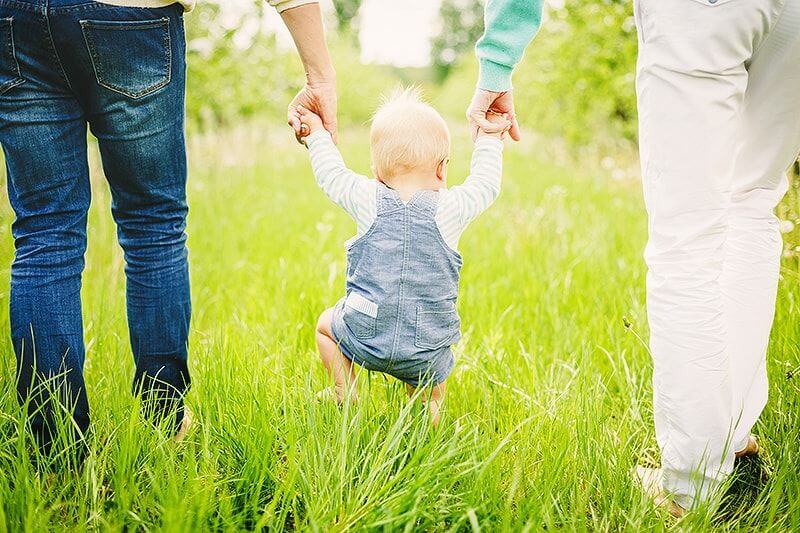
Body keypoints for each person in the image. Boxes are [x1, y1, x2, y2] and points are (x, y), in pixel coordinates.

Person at [0, 0, 336, 458]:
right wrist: (319, 76)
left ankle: (55, 449)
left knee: (44, 234)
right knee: (153, 227)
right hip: (127, 18)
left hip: (13, 21)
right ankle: (165, 423)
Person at [297, 89, 508, 426]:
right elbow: (485, 184)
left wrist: (318, 135)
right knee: (430, 395)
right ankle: (427, 425)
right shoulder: (451, 208)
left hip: (365, 331)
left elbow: (331, 175)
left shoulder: (367, 197)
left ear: (376, 172)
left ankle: (344, 391)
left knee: (325, 327)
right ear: (442, 169)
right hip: (426, 343)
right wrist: (490, 138)